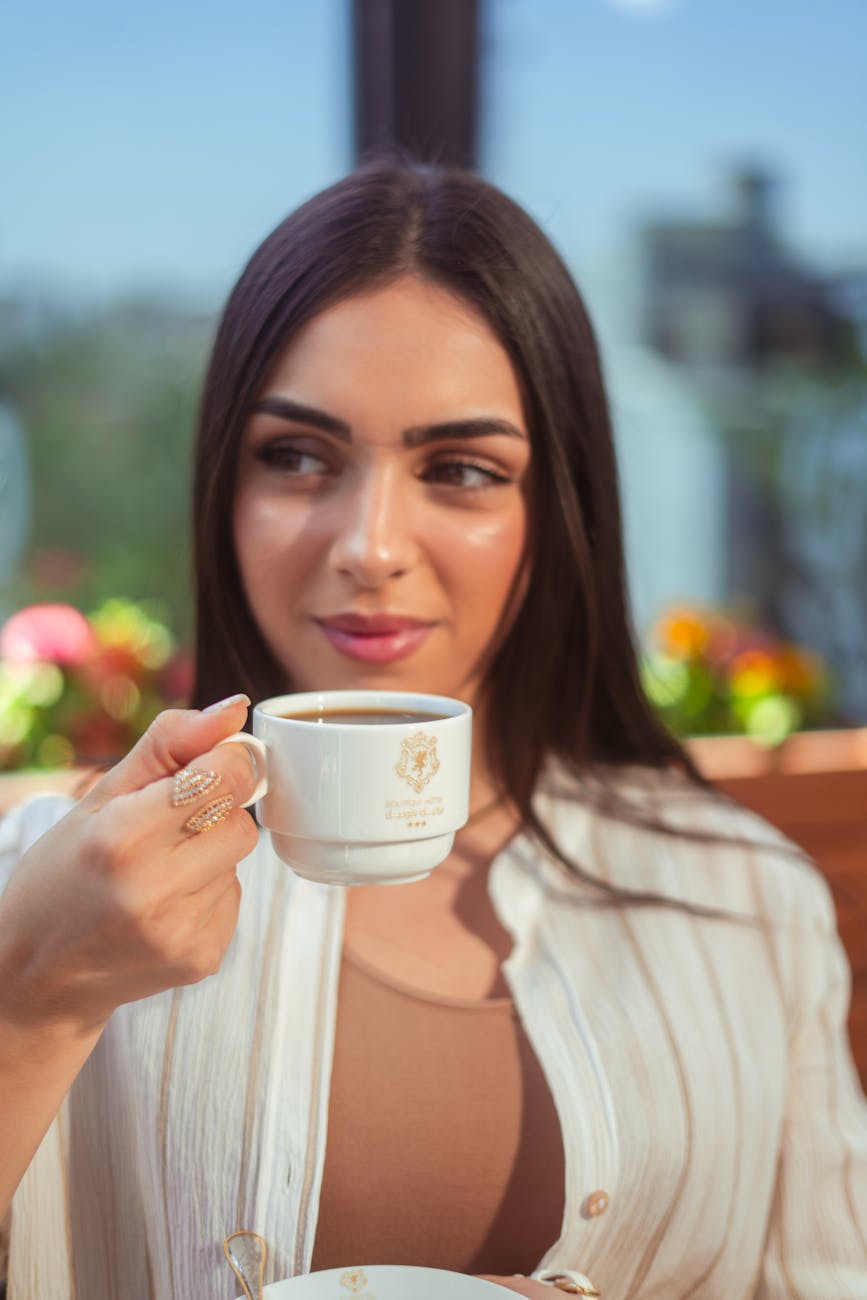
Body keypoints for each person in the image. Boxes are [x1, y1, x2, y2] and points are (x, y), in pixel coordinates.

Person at [1, 160, 865, 1300]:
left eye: (460, 470)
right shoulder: (57, 884)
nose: (370, 543)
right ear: (223, 487)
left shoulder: (750, 901)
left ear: (554, 515)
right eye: (297, 456)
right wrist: (31, 997)